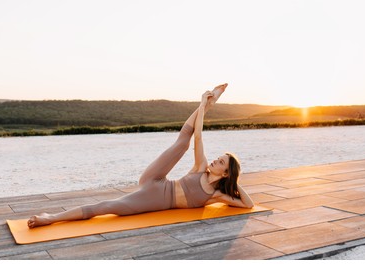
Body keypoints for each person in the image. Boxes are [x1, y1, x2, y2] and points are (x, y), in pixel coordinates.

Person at [27, 83, 254, 228]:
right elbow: (198, 136)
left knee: (106, 207)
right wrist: (203, 105)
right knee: (184, 140)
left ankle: (51, 217)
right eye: (219, 157)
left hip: (154, 198)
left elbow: (248, 204)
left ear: (225, 173)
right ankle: (208, 103)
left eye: (221, 162)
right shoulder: (200, 167)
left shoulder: (216, 196)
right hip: (156, 180)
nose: (215, 160)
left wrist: (235, 181)